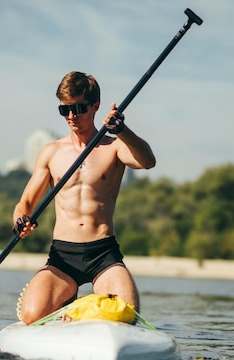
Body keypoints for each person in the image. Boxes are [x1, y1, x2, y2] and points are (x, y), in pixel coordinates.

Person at [12, 71, 156, 325]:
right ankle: (72, 306)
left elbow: (148, 161)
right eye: (64, 110)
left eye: (78, 108)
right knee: (31, 316)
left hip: (104, 254)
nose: (71, 116)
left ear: (95, 106)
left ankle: (78, 310)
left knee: (125, 314)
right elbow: (25, 203)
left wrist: (123, 130)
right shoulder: (50, 152)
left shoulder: (114, 147)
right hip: (62, 256)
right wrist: (20, 220)